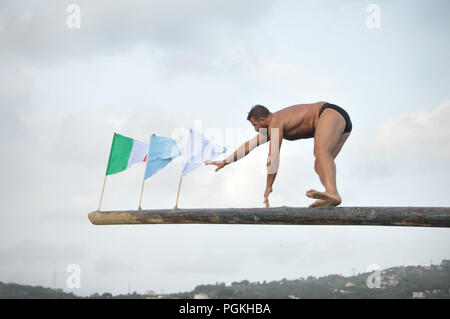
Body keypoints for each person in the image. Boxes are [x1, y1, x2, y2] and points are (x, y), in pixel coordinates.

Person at [205, 102, 352, 208]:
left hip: (328, 113)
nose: (256, 130)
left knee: (321, 152)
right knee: (320, 163)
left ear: (263, 120)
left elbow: (273, 158)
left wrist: (269, 186)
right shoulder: (272, 127)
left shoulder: (275, 123)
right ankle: (331, 195)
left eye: (255, 125)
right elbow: (249, 146)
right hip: (343, 123)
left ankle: (332, 193)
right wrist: (225, 162)